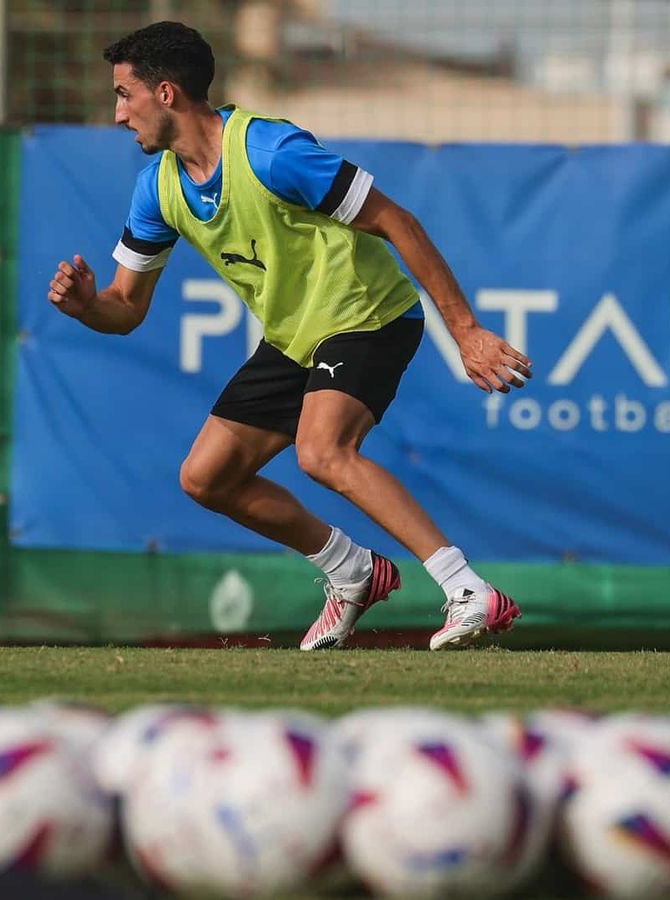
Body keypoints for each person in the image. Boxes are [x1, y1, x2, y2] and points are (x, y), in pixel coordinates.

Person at [46, 22, 533, 652]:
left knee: (322, 451)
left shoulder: (272, 152)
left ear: (165, 93)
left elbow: (396, 221)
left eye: (124, 95)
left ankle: (470, 590)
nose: (116, 115)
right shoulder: (158, 188)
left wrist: (465, 331)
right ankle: (350, 568)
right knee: (205, 478)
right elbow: (126, 307)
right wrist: (89, 306)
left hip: (366, 314)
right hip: (294, 336)